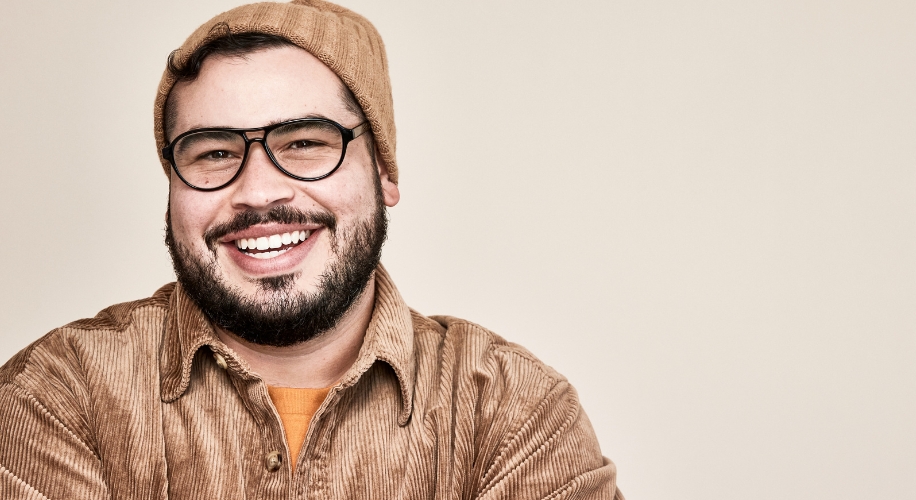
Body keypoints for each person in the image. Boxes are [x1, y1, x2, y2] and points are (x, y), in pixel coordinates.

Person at [0, 1, 623, 498]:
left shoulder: (514, 412)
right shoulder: (60, 394)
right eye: (213, 152)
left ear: (383, 171)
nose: (258, 190)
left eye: (304, 142)